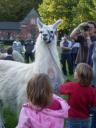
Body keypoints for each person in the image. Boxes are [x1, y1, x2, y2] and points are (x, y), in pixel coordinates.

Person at [59, 63, 96, 128]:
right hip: (86, 119)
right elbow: (94, 105)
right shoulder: (92, 90)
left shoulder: (71, 86)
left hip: (72, 119)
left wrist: (65, 82)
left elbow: (60, 89)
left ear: (79, 75)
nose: (74, 71)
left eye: (76, 70)